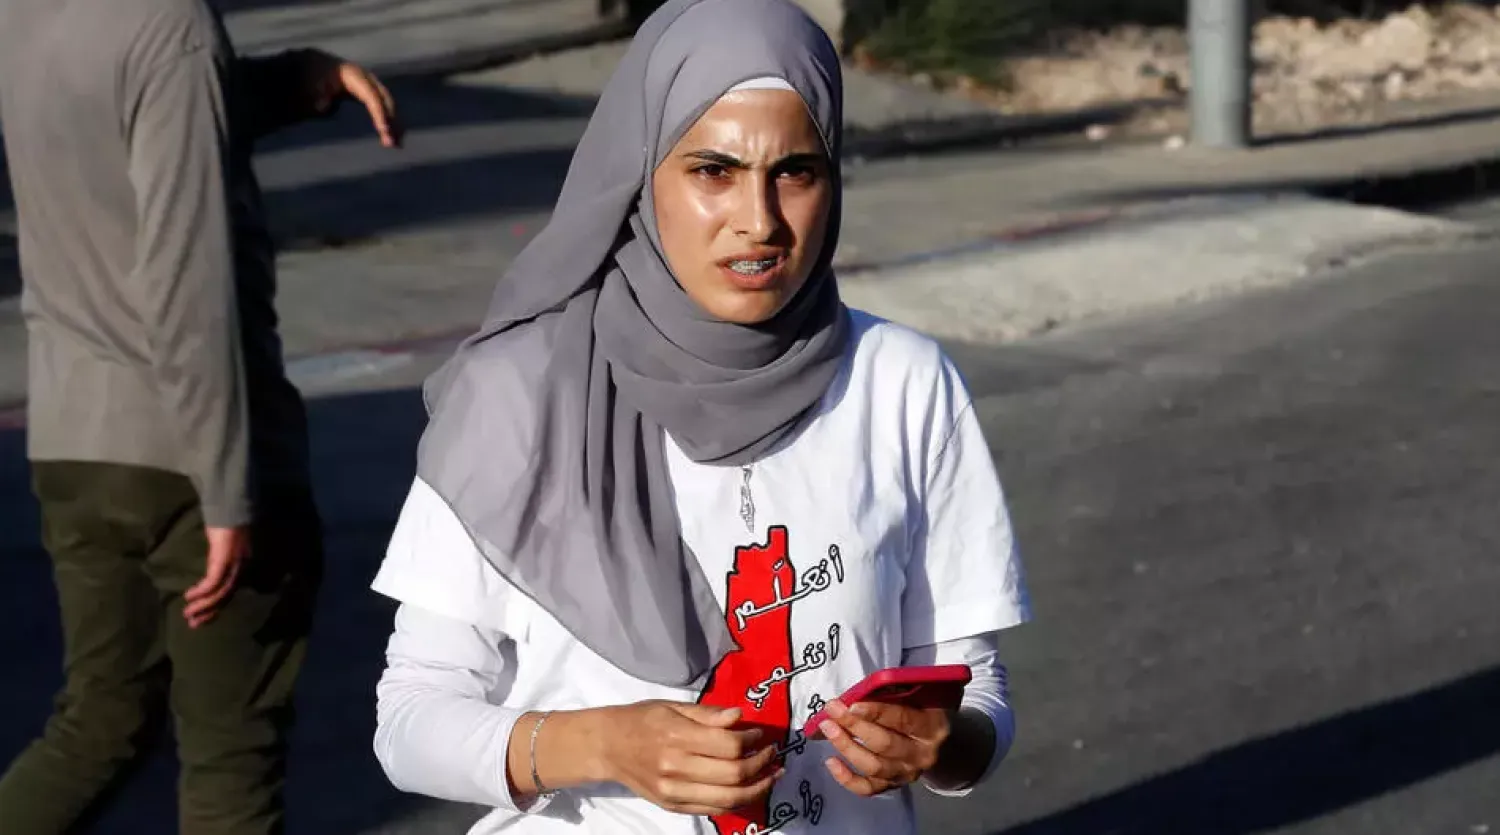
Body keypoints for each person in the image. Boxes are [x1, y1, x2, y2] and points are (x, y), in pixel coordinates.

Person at [369, 0, 1030, 832]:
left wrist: (943, 745)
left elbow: (974, 690)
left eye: (796, 170)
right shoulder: (521, 391)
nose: (759, 220)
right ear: (641, 175)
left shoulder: (901, 381)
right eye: (713, 171)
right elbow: (410, 720)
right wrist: (600, 745)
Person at [0, 0, 402, 831]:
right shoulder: (169, 24)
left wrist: (296, 80)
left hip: (76, 442)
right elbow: (190, 276)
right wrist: (227, 488)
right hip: (188, 457)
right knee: (232, 765)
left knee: (96, 724)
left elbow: (132, 113)